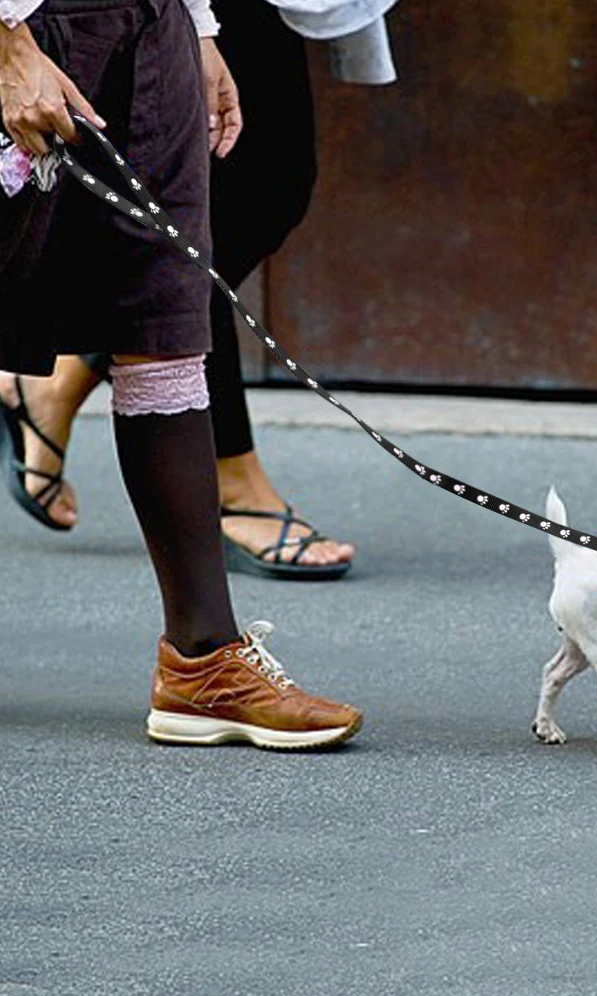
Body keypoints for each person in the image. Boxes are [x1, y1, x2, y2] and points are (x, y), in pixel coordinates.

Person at [0, 0, 363, 748]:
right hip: (31, 23)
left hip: (149, 24)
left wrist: (193, 21)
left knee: (163, 324)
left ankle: (203, 664)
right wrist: (5, 40)